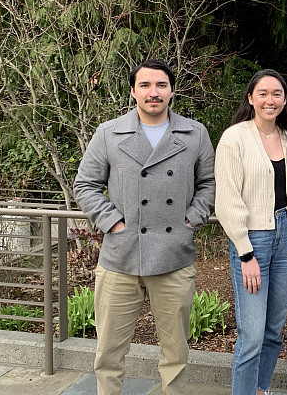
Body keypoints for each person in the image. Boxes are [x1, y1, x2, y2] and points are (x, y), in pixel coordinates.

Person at [73, 59, 215, 395]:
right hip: (120, 257)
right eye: (146, 86)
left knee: (176, 352)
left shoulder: (194, 133)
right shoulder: (108, 133)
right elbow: (85, 185)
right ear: (134, 91)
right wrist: (113, 222)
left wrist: (192, 218)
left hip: (173, 256)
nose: (154, 92)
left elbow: (209, 183)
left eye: (161, 85)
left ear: (172, 91)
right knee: (109, 351)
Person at [214, 69, 287, 395]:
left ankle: (260, 390)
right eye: (263, 93)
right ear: (251, 98)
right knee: (251, 334)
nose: (270, 99)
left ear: (284, 99)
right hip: (253, 240)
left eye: (276, 93)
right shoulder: (234, 138)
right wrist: (245, 252)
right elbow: (226, 200)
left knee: (273, 330)